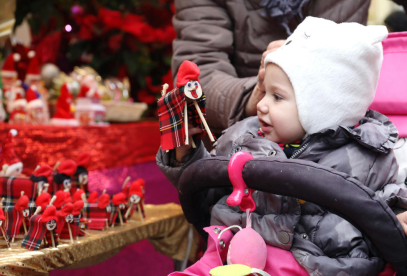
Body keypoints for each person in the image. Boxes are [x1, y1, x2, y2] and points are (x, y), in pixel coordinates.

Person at [159, 17, 407, 275]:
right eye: (264, 92)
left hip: (314, 264)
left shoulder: (366, 155)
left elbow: (386, 197)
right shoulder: (244, 136)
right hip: (229, 256)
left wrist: (397, 214)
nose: (261, 105)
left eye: (277, 97)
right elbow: (203, 184)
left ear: (323, 107)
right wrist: (183, 149)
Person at [172, 0, 407, 134]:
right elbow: (198, 72)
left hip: (339, 132)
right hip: (252, 136)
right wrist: (257, 94)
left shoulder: (365, 150)